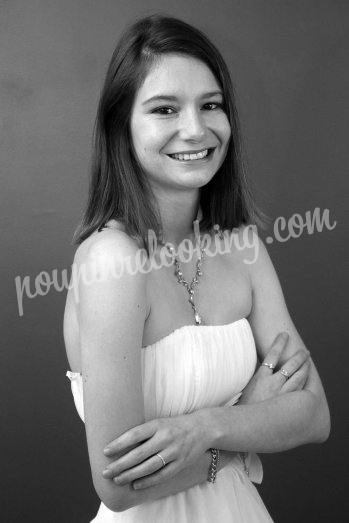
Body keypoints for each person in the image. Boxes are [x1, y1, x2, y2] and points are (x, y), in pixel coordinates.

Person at [63, 14, 330, 522]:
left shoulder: (243, 245)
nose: (196, 128)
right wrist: (247, 420)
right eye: (165, 109)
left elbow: (314, 413)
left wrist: (205, 427)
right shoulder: (112, 261)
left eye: (211, 105)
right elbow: (121, 484)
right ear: (122, 125)